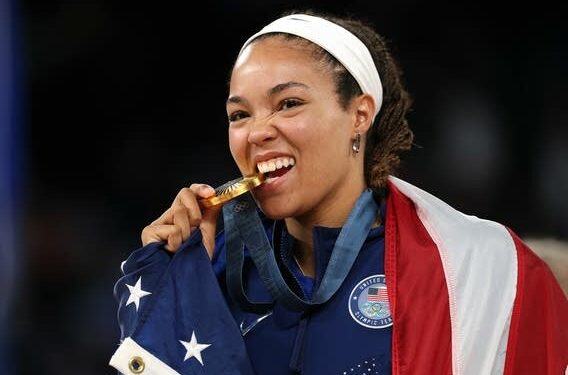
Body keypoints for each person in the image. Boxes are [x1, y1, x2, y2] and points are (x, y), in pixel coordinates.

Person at [109, 9, 568, 375]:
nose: (258, 132)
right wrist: (173, 289)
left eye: (289, 103)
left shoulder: (475, 270)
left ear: (360, 115)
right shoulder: (211, 267)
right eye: (239, 115)